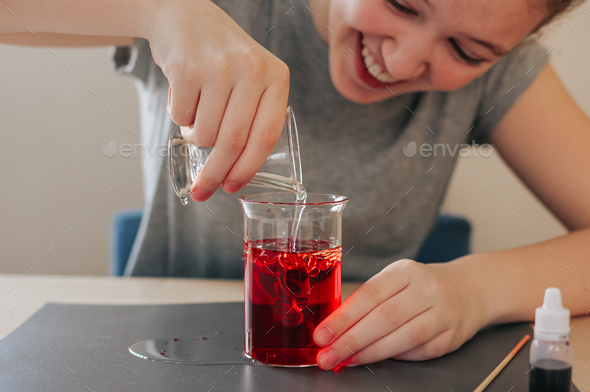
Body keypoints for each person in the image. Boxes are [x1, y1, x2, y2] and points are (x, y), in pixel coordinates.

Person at [2, 0, 589, 371]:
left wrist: (475, 289)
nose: (405, 60)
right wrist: (163, 12)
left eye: (465, 50)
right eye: (402, 4)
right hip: (167, 357)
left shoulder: (504, 72)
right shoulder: (225, 8)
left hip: (353, 365)